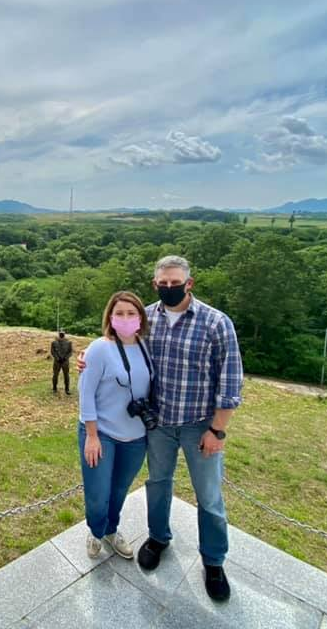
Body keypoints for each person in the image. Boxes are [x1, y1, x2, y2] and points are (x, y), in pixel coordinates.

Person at [78, 256, 243, 602]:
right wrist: (86, 358)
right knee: (157, 484)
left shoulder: (216, 323)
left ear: (190, 283)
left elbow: (230, 382)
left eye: (176, 282)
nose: (170, 288)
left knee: (209, 497)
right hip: (159, 424)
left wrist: (218, 430)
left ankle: (213, 562)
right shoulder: (147, 317)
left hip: (201, 425)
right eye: (163, 284)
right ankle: (158, 537)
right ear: (155, 285)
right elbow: (115, 345)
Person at [78, 291, 153, 561]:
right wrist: (92, 435)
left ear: (141, 317)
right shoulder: (99, 348)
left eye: (131, 313)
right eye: (119, 313)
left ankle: (111, 530)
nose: (125, 318)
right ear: (110, 316)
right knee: (98, 493)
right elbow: (85, 393)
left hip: (135, 437)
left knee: (120, 490)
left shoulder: (146, 346)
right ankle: (95, 531)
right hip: (102, 434)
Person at [50, 330, 73, 395]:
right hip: (57, 362)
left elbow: (70, 352)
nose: (61, 335)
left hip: (65, 362)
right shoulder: (54, 342)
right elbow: (52, 351)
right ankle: (54, 388)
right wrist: (57, 358)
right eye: (60, 334)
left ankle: (67, 389)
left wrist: (65, 358)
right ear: (59, 334)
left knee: (66, 376)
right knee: (55, 375)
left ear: (64, 334)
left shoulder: (69, 342)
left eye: (62, 334)